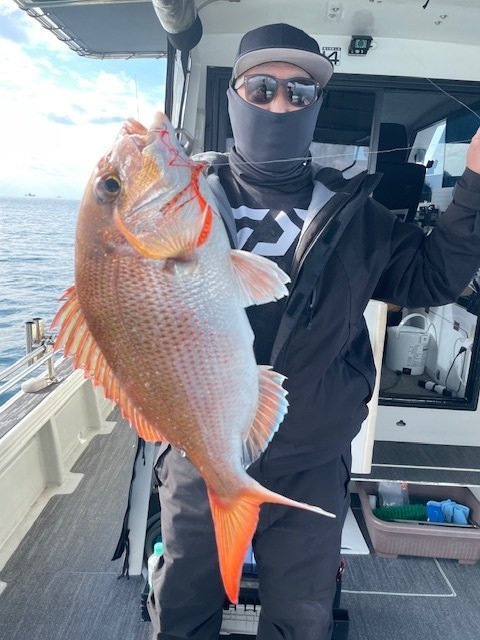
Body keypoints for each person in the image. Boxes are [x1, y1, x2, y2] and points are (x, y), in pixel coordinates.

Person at [147, 3, 480, 639]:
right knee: (183, 608)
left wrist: (475, 185)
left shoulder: (359, 214)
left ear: (316, 105)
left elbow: (432, 277)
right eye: (261, 88)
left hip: (312, 456)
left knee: (303, 616)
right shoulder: (176, 199)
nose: (279, 104)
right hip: (196, 448)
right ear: (234, 96)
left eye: (299, 92)